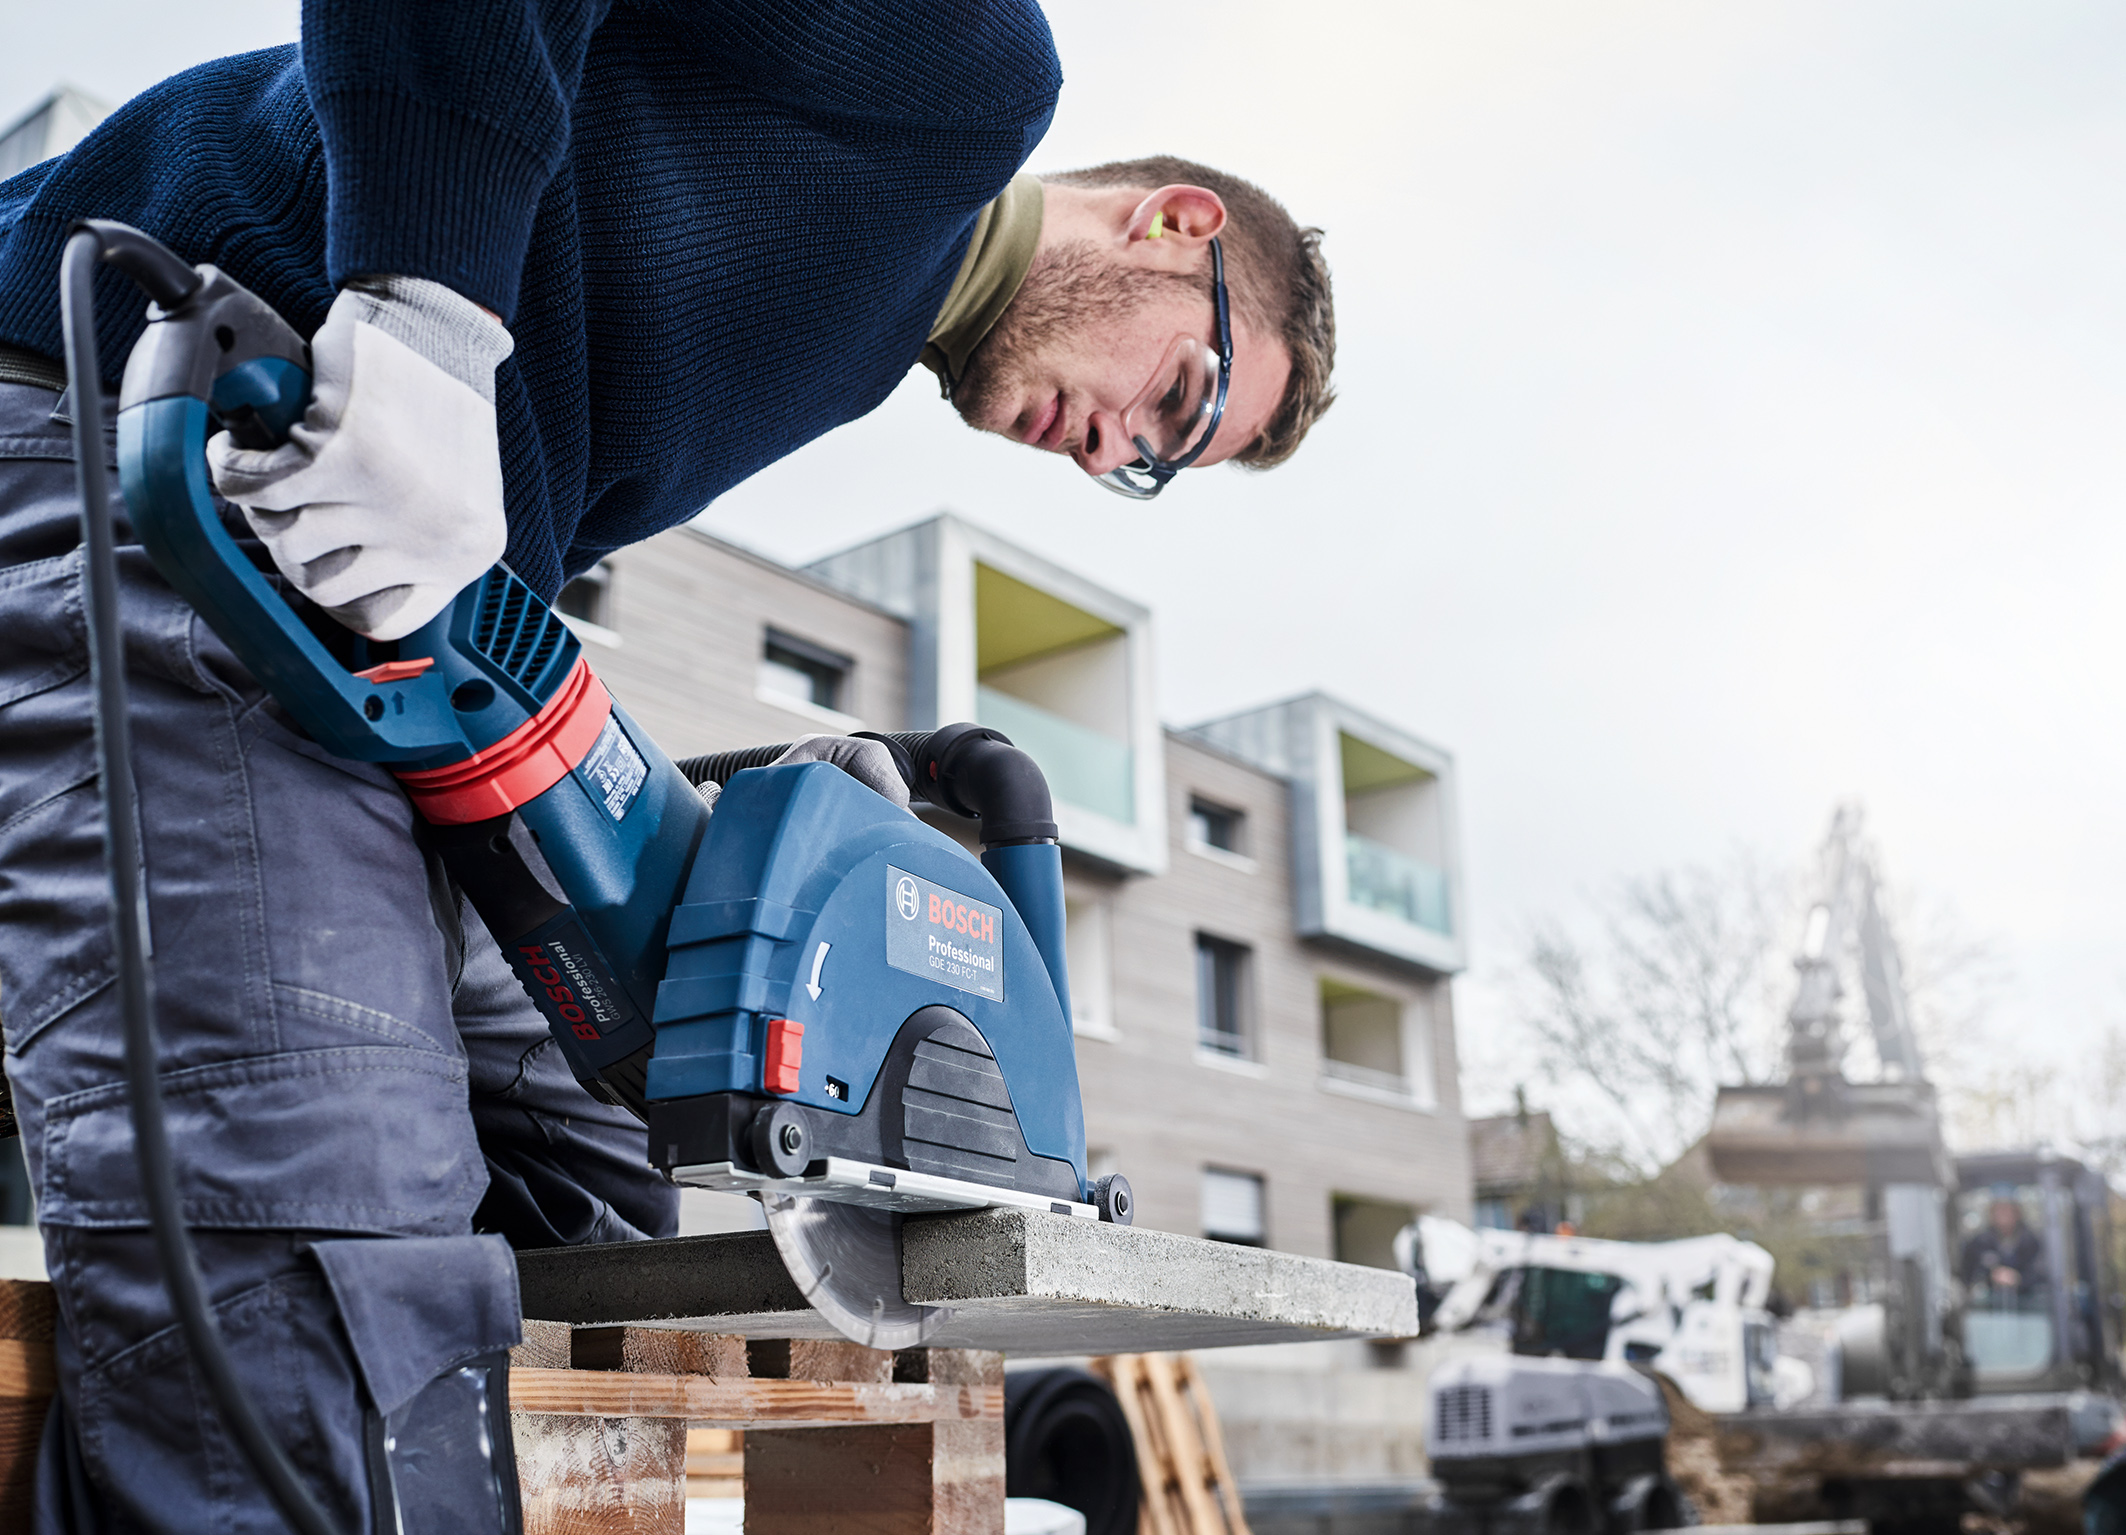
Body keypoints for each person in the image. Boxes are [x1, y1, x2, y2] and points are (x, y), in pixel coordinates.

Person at [0, 2, 1336, 1529]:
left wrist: (736, 830)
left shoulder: (846, 338)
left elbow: (486, 578)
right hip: (147, 433)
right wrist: (428, 306)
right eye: (1171, 396)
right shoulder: (969, 76)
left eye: (1153, 467)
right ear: (1175, 226)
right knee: (322, 1215)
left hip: (336, 615)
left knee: (604, 1160)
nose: (1116, 453)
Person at [1961, 1194, 2045, 1297]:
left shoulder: (2032, 1242)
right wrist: (1991, 1276)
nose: (2003, 1215)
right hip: (1987, 1306)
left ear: (2017, 1213)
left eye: (2008, 1210)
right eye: (1998, 1210)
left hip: (2028, 1303)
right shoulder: (1979, 1242)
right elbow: (1969, 1275)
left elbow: (2041, 1274)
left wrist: (2018, 1278)